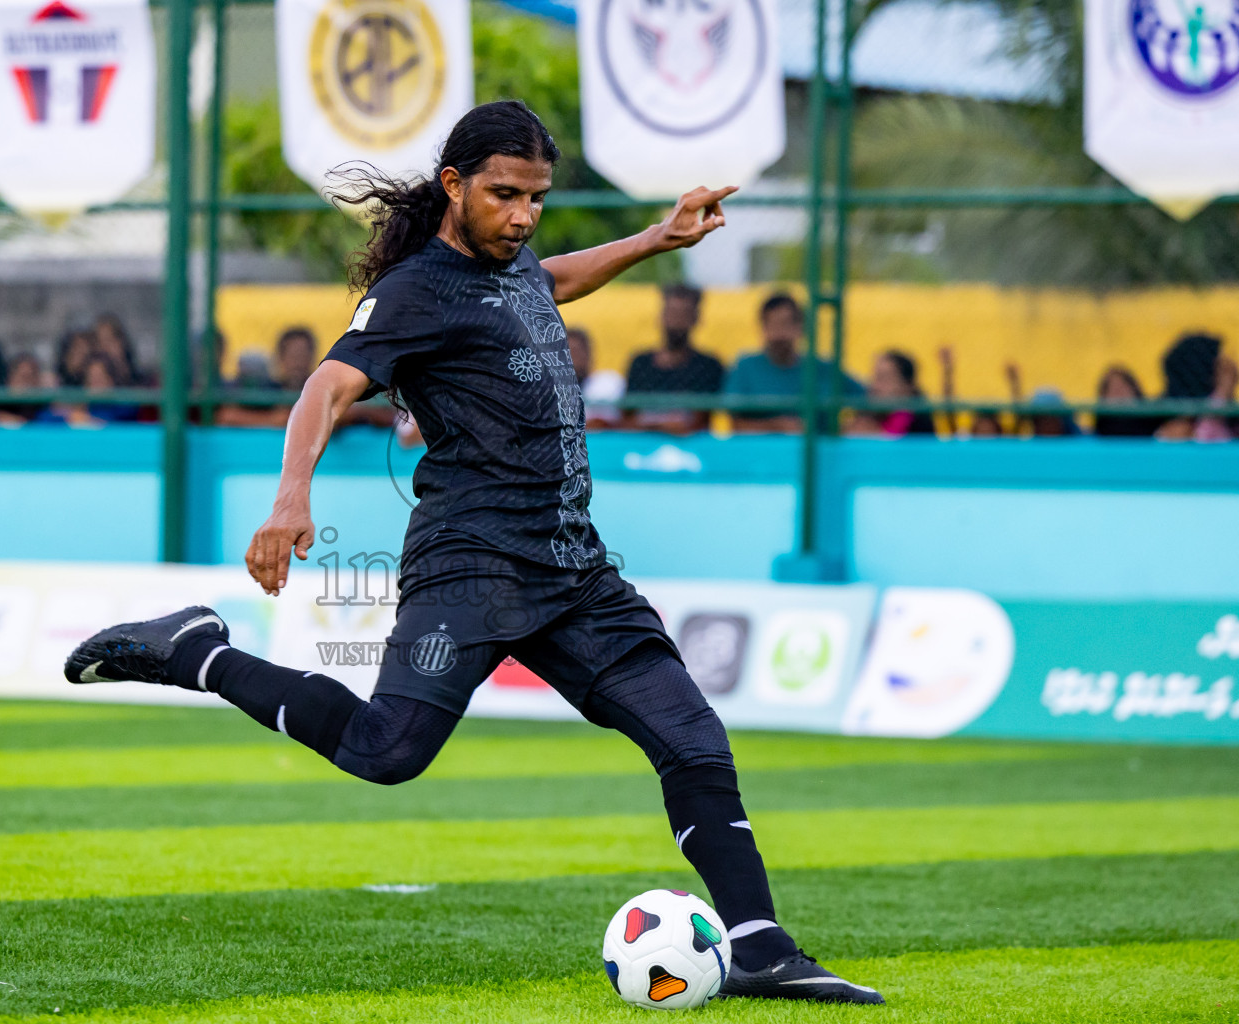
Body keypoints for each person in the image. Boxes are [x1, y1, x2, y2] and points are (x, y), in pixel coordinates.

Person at [64, 100, 882, 1005]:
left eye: (536, 197)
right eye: (503, 196)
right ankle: (199, 652)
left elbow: (552, 279)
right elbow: (327, 385)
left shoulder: (515, 260)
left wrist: (656, 238)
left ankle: (760, 947)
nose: (523, 216)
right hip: (471, 570)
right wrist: (291, 496)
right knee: (387, 751)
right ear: (454, 186)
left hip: (575, 571)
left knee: (694, 740)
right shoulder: (416, 290)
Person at [725, 293, 861, 434]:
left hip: (820, 454)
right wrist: (777, 427)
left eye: (785, 324)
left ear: (799, 327)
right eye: (772, 325)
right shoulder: (745, 368)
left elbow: (869, 401)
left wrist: (844, 431)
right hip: (763, 453)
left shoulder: (824, 369)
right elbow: (735, 424)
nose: (778, 334)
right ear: (763, 328)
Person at [624, 285, 723, 433]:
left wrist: (651, 425)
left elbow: (699, 422)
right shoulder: (640, 363)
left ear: (696, 318)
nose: (676, 321)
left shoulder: (708, 366)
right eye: (672, 313)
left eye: (684, 314)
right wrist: (663, 426)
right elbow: (627, 419)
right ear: (661, 316)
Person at [1156, 332, 1235, 442]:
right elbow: (1207, 438)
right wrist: (1223, 390)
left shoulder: (1230, 419)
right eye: (1220, 369)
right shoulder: (1176, 428)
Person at [846, 350, 933, 436]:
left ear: (906, 387)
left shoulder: (916, 424)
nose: (874, 386)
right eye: (874, 377)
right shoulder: (867, 414)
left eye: (883, 378)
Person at [567, 326, 626, 427]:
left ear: (588, 353)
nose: (572, 357)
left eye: (576, 351)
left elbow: (606, 422)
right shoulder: (546, 389)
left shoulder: (608, 382)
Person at [1092, 365, 1156, 438]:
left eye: (1123, 388)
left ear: (1134, 391)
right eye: (1114, 390)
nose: (1119, 394)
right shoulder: (1099, 432)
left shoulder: (1155, 426)